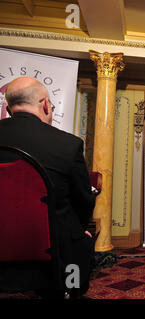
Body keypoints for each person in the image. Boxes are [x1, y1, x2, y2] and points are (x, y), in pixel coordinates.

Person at [0, 76, 96, 298]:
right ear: (45, 104)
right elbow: (83, 202)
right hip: (53, 256)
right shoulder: (69, 145)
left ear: (8, 107)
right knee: (79, 233)